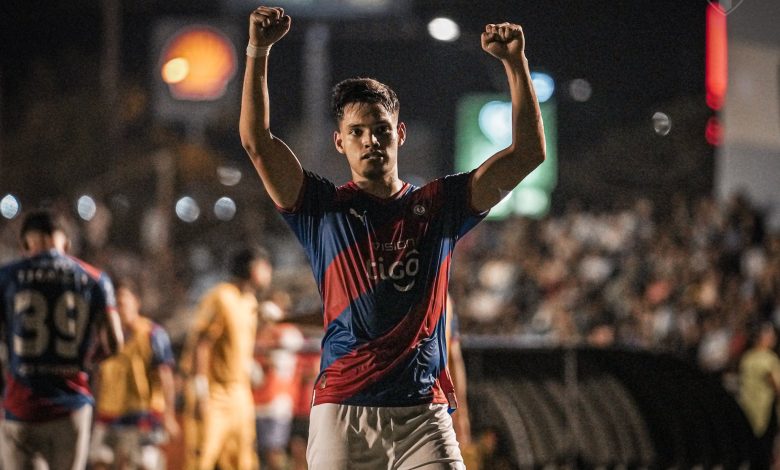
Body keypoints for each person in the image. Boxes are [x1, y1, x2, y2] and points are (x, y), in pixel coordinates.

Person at [239, 6, 545, 469]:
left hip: (423, 415)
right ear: (340, 142)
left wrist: (515, 63)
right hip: (343, 411)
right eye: (356, 132)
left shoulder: (440, 205)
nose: (370, 141)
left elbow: (528, 154)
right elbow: (257, 143)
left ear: (399, 134)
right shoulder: (322, 208)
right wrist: (258, 50)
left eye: (381, 130)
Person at [0, 210, 124, 469]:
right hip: (72, 406)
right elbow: (115, 342)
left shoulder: (7, 275)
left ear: (25, 244)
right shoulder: (95, 278)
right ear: (66, 244)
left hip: (22, 406)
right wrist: (87, 362)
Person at [182, 245, 272, 470]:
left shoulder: (250, 302)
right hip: (214, 394)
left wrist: (248, 365)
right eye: (264, 265)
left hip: (240, 393)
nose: (268, 271)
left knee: (242, 461)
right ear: (251, 267)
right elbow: (202, 342)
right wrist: (200, 387)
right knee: (202, 459)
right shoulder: (220, 297)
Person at [89, 277, 179, 470]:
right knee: (100, 460)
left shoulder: (152, 334)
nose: (118, 308)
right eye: (115, 304)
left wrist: (169, 415)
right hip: (109, 414)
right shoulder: (104, 336)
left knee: (143, 463)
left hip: (143, 415)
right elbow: (99, 376)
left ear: (136, 302)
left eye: (122, 302)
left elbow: (165, 377)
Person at [252, 298, 304, 470]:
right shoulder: (257, 336)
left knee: (274, 451)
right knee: (257, 453)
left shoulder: (286, 333)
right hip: (256, 403)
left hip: (276, 403)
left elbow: (286, 353)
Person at [738, 322, 780, 469]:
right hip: (765, 410)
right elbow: (776, 385)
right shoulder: (768, 359)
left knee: (752, 449)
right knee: (765, 451)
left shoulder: (747, 357)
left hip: (747, 409)